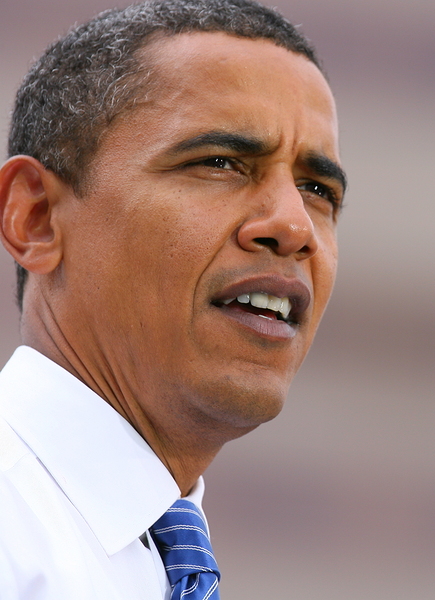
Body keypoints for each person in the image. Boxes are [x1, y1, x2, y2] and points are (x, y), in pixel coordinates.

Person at [0, 0, 346, 598]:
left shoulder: (161, 555)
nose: (295, 225)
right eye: (220, 163)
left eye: (318, 189)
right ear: (36, 219)